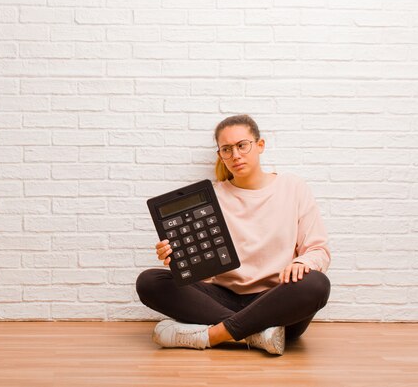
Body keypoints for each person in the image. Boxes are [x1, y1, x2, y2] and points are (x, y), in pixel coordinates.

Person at [136, 114, 331, 355]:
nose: (235, 155)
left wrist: (303, 262)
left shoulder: (293, 186)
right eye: (226, 149)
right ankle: (259, 334)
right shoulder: (213, 196)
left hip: (277, 300)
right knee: (149, 281)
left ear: (260, 145)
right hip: (223, 299)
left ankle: (212, 335)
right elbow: (205, 272)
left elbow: (318, 250)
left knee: (316, 284)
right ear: (220, 155)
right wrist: (180, 258)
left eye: (242, 145)